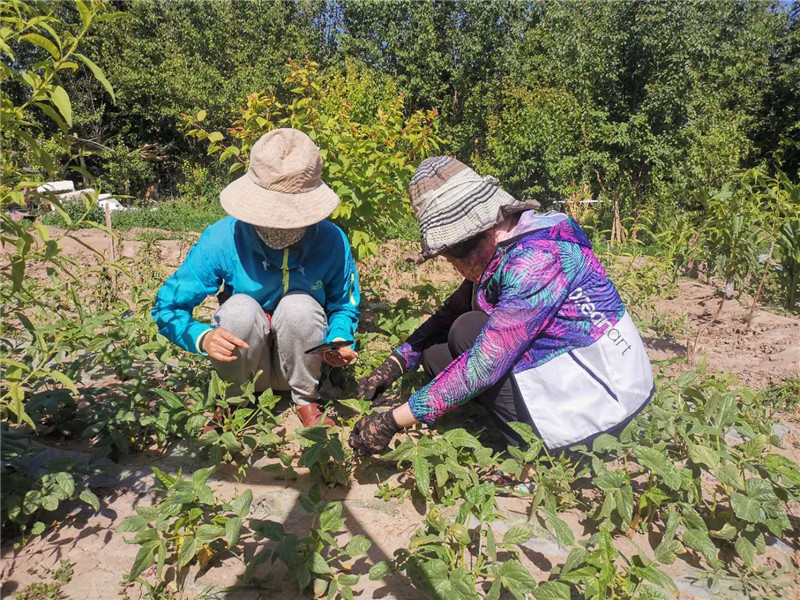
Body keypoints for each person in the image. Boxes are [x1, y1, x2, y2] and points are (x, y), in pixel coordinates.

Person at [349, 156, 653, 456]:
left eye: (453, 255)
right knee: (436, 352)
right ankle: (509, 420)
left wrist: (391, 421)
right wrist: (391, 368)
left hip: (605, 397)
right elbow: (447, 315)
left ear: (476, 236)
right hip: (571, 370)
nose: (454, 266)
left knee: (468, 332)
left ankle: (535, 455)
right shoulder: (505, 244)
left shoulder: (536, 260)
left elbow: (483, 365)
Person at [152, 128, 360, 428]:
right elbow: (166, 307)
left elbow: (344, 305)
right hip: (246, 366)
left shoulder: (332, 241)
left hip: (304, 365)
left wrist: (338, 337)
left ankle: (306, 399)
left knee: (300, 307)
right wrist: (203, 337)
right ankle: (234, 401)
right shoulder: (223, 238)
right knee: (239, 310)